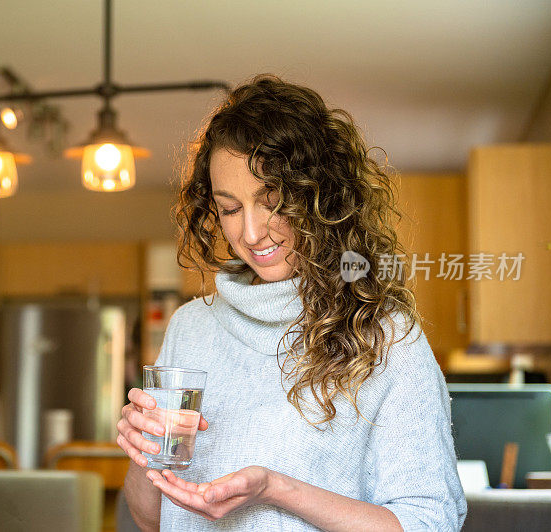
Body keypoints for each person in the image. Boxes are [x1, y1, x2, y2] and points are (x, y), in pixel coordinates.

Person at [116, 74, 467, 531]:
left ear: (322, 197)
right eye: (229, 208)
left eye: (273, 201)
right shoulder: (190, 328)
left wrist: (277, 490)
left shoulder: (385, 339)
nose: (251, 233)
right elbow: (152, 519)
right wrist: (146, 451)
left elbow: (430, 522)